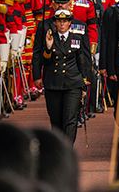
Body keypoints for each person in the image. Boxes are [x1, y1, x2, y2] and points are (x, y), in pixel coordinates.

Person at [31, 8, 91, 143]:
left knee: (70, 120)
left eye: (65, 21)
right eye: (59, 21)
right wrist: (48, 48)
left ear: (70, 23)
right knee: (56, 120)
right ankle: (58, 148)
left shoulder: (76, 38)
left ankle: (67, 150)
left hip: (73, 84)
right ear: (55, 24)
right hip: (54, 84)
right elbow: (44, 61)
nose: (62, 24)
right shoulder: (50, 38)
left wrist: (84, 83)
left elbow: (82, 61)